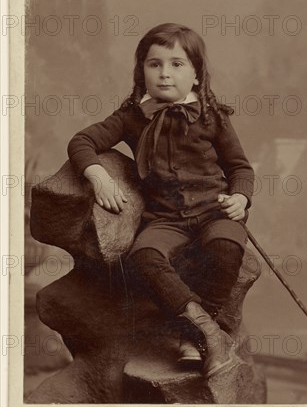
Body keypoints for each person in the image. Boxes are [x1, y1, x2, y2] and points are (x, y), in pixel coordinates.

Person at [68, 23, 254, 379]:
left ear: (197, 75)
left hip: (214, 211)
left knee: (226, 246)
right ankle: (208, 334)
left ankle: (191, 337)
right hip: (166, 218)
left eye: (177, 64)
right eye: (154, 64)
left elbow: (240, 168)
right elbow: (82, 141)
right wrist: (98, 175)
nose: (164, 73)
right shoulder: (133, 117)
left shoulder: (212, 116)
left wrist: (241, 198)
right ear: (142, 71)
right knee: (145, 255)